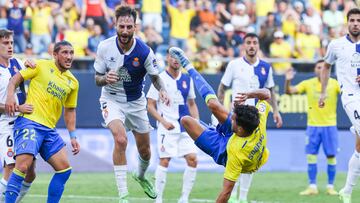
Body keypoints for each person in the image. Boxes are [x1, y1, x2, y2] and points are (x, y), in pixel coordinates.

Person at [169, 47, 271, 203]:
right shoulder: (259, 120)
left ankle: (213, 128)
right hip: (242, 138)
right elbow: (267, 94)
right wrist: (250, 94)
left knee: (185, 120)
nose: (232, 118)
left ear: (240, 128)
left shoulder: (235, 153)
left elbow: (226, 193)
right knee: (214, 106)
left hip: (223, 150)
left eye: (234, 119)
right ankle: (188, 66)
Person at [93, 5, 169, 202]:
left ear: (135, 26)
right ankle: (123, 195)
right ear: (115, 25)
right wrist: (105, 78)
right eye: (121, 26)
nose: (125, 31)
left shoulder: (144, 51)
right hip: (111, 99)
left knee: (145, 151)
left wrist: (163, 90)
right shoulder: (104, 47)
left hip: (136, 103)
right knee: (120, 140)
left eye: (129, 27)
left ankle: (141, 176)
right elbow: (97, 79)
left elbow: (155, 77)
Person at [4, 40, 80, 203]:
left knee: (64, 170)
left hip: (49, 130)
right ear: (55, 55)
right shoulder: (40, 66)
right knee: (22, 167)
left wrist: (73, 136)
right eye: (65, 53)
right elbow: (15, 79)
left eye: (71, 53)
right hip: (29, 122)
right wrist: (11, 97)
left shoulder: (73, 82)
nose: (69, 57)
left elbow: (70, 110)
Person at [217, 32, 283, 203]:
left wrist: (276, 111)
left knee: (251, 155)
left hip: (256, 118)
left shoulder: (266, 67)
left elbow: (271, 91)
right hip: (237, 118)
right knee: (236, 154)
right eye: (248, 42)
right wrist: (218, 109)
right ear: (243, 46)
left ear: (258, 46)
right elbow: (222, 88)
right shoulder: (234, 64)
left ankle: (243, 197)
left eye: (255, 42)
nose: (252, 45)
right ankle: (233, 195)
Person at [319, 8, 360, 203]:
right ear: (347, 22)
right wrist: (323, 91)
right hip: (350, 96)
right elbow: (326, 66)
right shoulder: (336, 45)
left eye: (359, 21)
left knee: (359, 149)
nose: (355, 24)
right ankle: (356, 128)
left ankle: (346, 191)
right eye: (352, 20)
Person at [147, 50, 199, 203]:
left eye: (179, 57)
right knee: (165, 160)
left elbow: (191, 103)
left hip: (185, 127)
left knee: (193, 159)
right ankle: (158, 199)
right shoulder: (160, 79)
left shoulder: (187, 80)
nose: (176, 60)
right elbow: (150, 105)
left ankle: (184, 198)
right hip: (167, 126)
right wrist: (162, 122)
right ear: (167, 58)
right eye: (173, 56)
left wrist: (196, 121)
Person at [285, 60, 340, 196]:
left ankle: (330, 186)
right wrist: (287, 81)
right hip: (313, 126)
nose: (320, 70)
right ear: (315, 69)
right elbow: (289, 92)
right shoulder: (308, 83)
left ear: (327, 70)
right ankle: (312, 186)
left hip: (330, 125)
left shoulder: (334, 84)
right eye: (318, 67)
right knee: (311, 156)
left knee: (331, 156)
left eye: (323, 67)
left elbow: (349, 92)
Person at [0, 29, 35, 203]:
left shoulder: (18, 63)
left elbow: (33, 74)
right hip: (5, 122)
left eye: (12, 43)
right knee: (12, 166)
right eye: (5, 43)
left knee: (30, 172)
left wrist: (33, 64)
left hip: (25, 122)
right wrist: (18, 107)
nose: (10, 46)